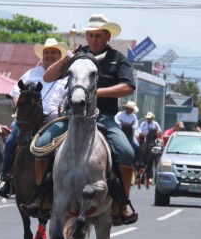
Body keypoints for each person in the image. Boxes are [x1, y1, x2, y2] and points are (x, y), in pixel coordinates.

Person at [29, 13, 138, 225]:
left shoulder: (118, 59)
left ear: (107, 36)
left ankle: (122, 203)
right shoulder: (77, 56)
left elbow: (128, 87)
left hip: (103, 117)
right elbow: (48, 77)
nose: (94, 39)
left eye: (99, 35)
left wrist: (95, 93)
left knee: (127, 152)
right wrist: (67, 58)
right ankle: (42, 197)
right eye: (91, 35)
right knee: (41, 145)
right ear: (86, 37)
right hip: (72, 117)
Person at [0, 38, 69, 198]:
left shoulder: (66, 76)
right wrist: (20, 109)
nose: (49, 55)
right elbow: (15, 93)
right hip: (27, 121)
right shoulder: (31, 73)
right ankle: (7, 180)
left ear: (60, 55)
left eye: (53, 52)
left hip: (54, 122)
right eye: (46, 52)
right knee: (11, 142)